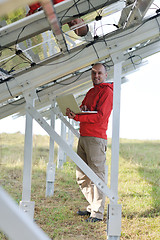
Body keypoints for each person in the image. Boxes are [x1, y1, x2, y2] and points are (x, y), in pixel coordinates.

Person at [66, 63, 113, 222]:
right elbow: (83, 108)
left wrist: (78, 116)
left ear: (106, 75)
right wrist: (73, 112)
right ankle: (93, 206)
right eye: (94, 73)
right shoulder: (91, 92)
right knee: (82, 176)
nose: (96, 76)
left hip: (96, 139)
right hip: (84, 136)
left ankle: (97, 214)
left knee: (97, 176)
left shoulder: (107, 92)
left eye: (99, 73)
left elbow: (100, 116)